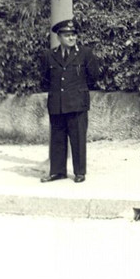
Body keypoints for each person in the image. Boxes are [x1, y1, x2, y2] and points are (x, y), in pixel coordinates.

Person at [40, 18, 100, 183]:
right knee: (57, 138)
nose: (72, 38)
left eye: (74, 34)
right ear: (59, 37)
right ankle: (58, 172)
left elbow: (94, 76)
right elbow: (44, 79)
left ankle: (79, 172)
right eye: (67, 35)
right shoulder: (49, 55)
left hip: (77, 103)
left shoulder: (85, 54)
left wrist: (78, 91)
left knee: (78, 138)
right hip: (57, 103)